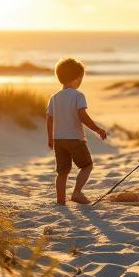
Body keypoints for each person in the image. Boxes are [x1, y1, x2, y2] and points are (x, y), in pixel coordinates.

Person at [46, 57, 107, 205]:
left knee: (62, 172)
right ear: (77, 78)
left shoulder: (54, 98)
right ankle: (77, 192)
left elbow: (49, 119)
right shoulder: (78, 96)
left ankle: (60, 200)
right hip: (75, 139)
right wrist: (97, 129)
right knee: (87, 165)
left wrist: (50, 138)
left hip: (58, 139)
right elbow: (82, 116)